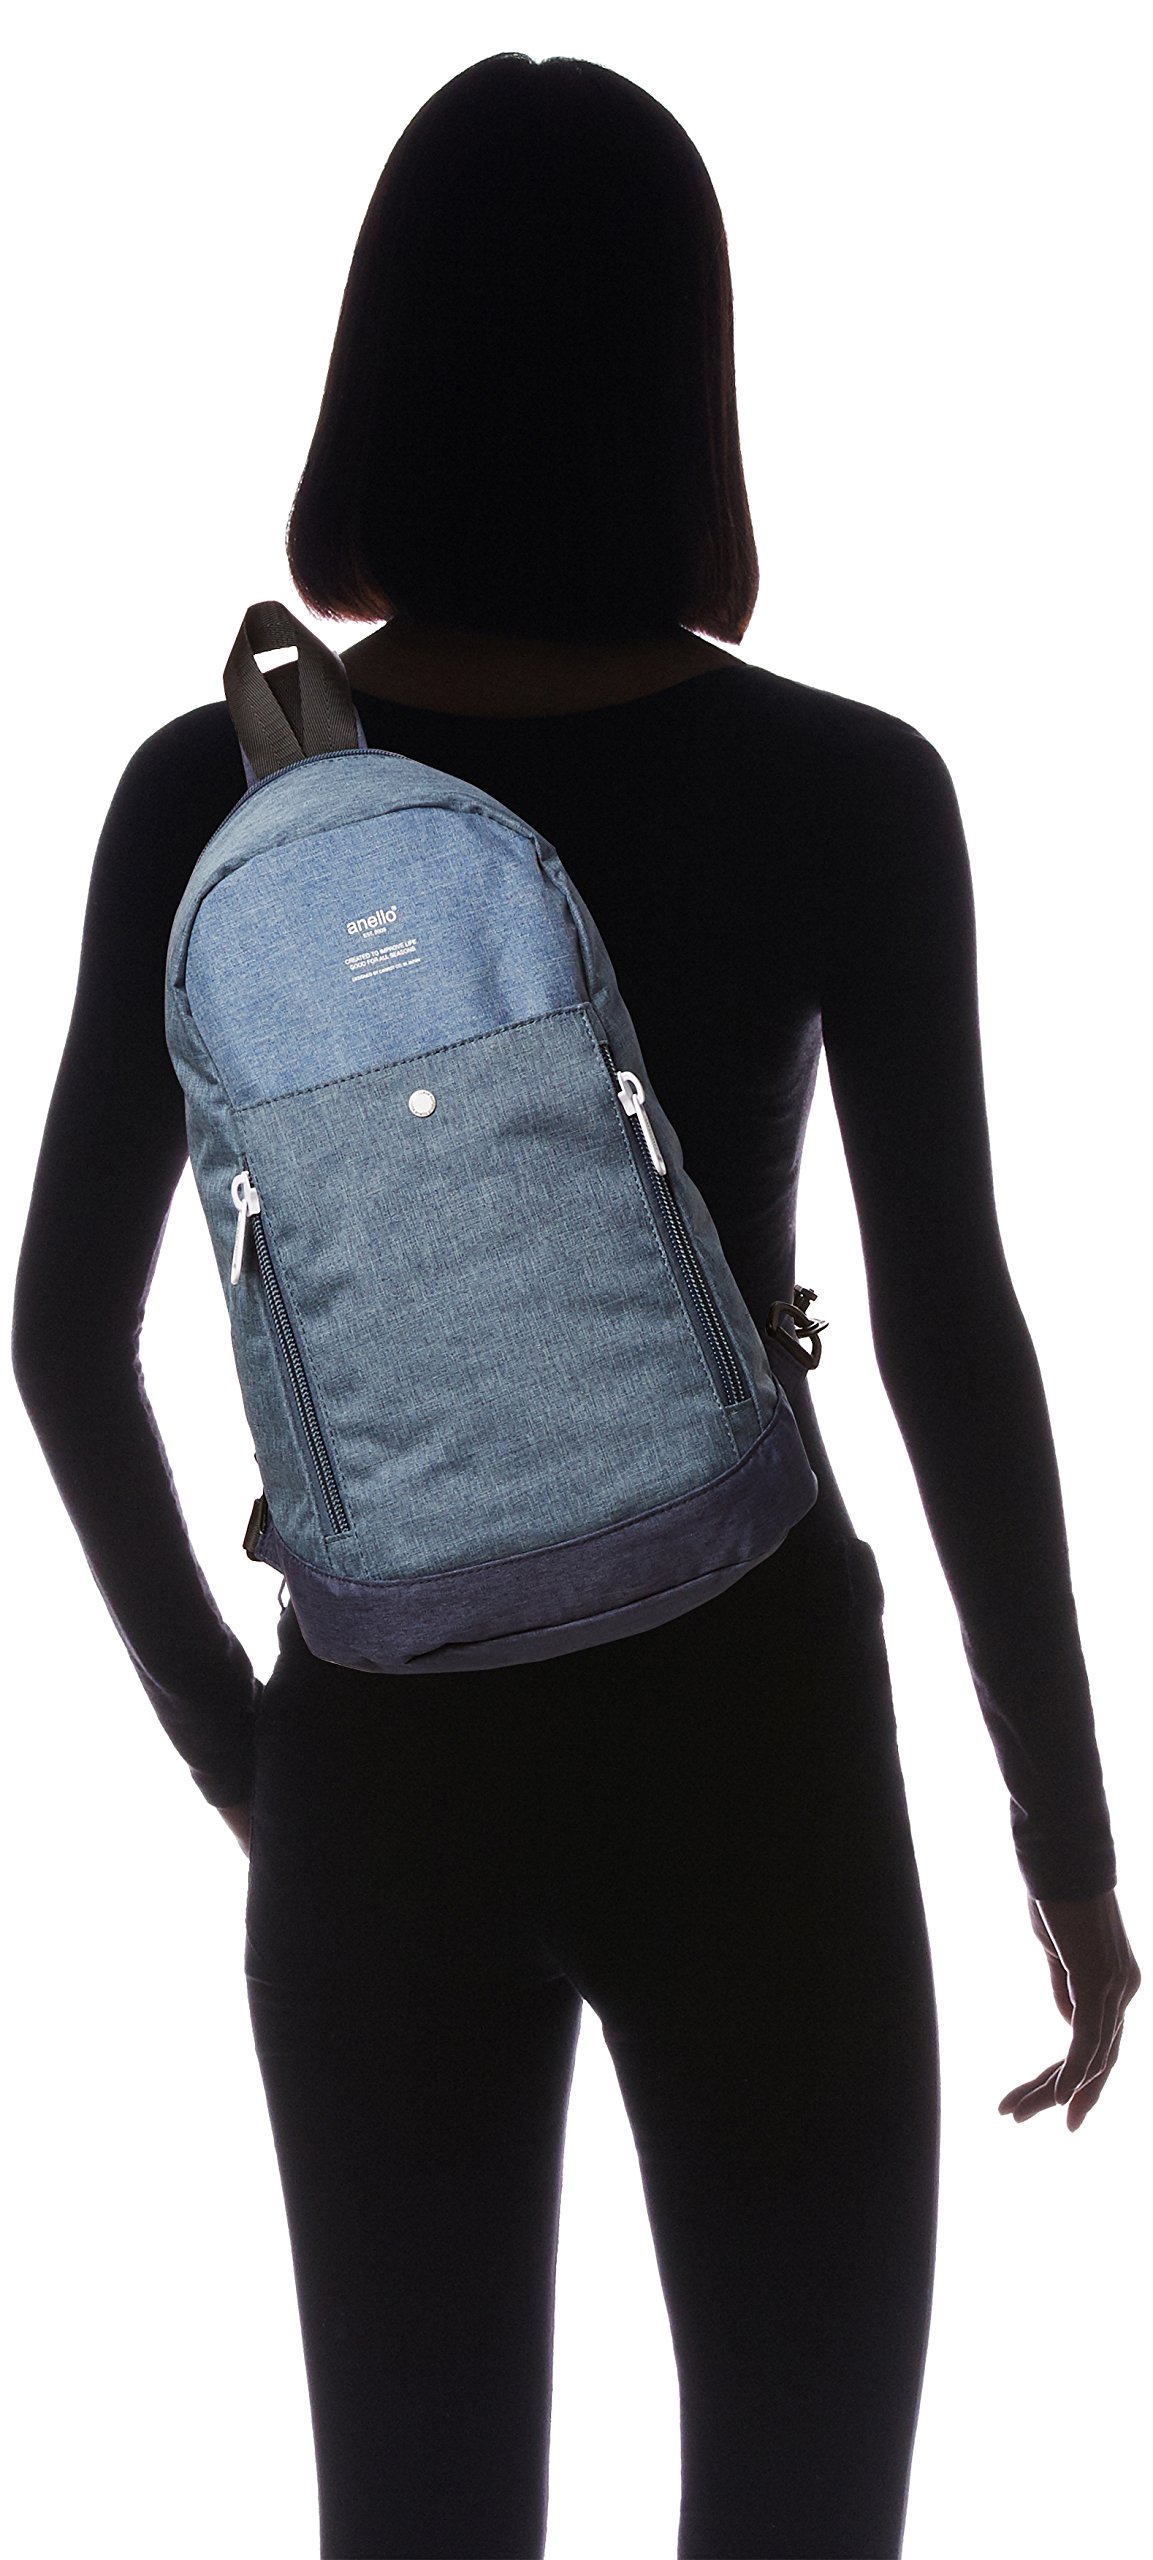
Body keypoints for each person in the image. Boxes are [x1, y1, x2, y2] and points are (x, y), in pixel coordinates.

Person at [9, 50, 1141, 2560]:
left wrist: (252, 1756)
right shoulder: (851, 787)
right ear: (682, 376)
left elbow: (60, 1335)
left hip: (384, 1761)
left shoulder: (213, 791)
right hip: (755, 1746)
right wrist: (1062, 1829)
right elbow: (953, 1336)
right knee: (801, 2519)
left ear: (379, 368)